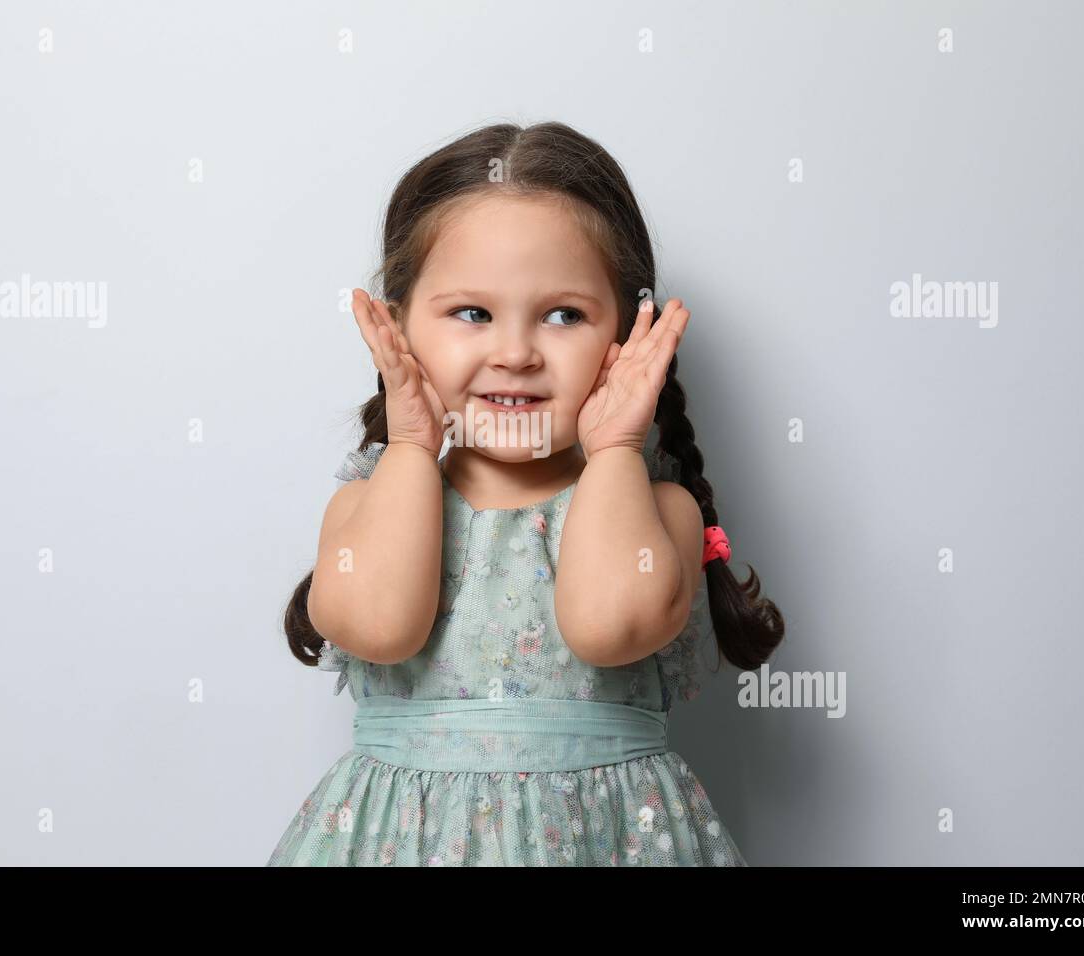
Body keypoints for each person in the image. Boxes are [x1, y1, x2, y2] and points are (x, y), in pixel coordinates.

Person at [268, 121, 785, 866]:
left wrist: (612, 449)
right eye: (471, 313)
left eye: (564, 314)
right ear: (399, 325)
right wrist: (412, 444)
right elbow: (380, 624)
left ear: (630, 334)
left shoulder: (658, 512)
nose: (515, 354)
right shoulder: (365, 506)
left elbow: (606, 626)